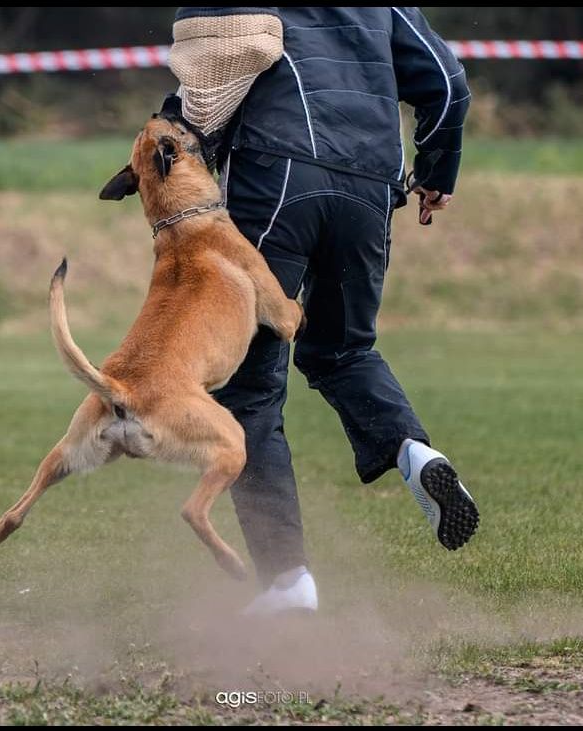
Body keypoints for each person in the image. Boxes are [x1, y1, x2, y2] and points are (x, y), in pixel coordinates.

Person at [166, 6, 478, 614]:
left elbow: (205, 76)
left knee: (251, 383)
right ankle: (415, 452)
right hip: (371, 188)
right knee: (343, 349)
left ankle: (287, 583)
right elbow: (448, 85)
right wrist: (438, 170)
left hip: (275, 175)